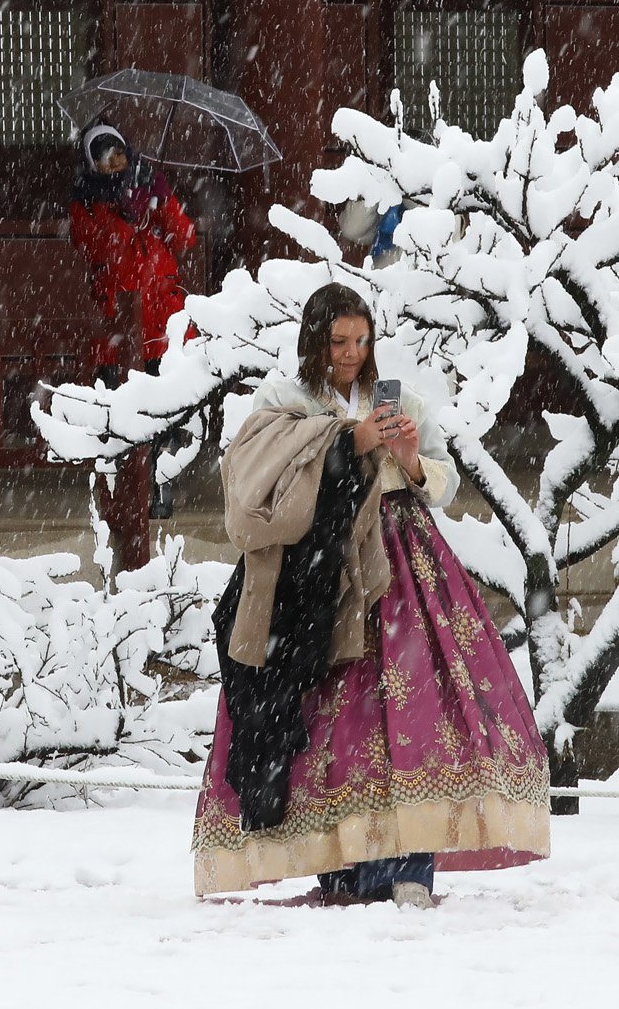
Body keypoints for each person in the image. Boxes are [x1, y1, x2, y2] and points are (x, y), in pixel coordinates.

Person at [191, 283, 550, 908]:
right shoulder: (286, 400)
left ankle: (413, 862)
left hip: (401, 558)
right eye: (338, 342)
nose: (351, 354)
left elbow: (440, 480)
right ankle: (341, 864)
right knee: (333, 715)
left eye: (361, 341)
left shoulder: (401, 398)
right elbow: (255, 479)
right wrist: (342, 443)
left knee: (417, 707)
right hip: (322, 569)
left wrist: (408, 460)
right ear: (314, 341)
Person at [68, 122, 197, 516]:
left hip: (163, 317)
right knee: (124, 410)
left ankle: (160, 482)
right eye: (105, 157)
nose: (115, 162)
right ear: (92, 163)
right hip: (118, 320)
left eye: (120, 154)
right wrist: (122, 214)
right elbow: (94, 249)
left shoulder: (147, 185)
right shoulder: (86, 201)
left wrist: (159, 198)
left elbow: (184, 237)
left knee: (167, 407)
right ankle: (125, 490)